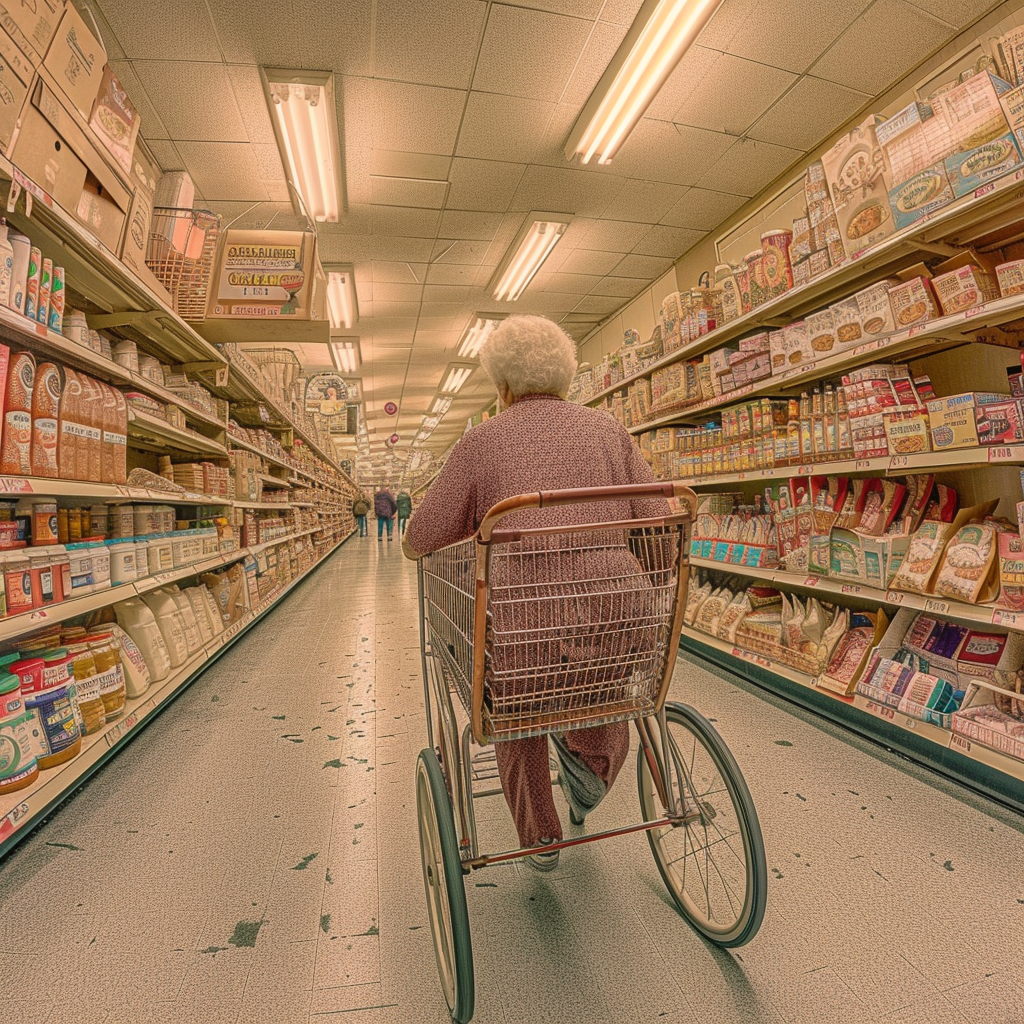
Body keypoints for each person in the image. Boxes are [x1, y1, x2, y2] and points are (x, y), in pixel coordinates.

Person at [403, 315, 669, 870]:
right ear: (567, 377)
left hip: (524, 637)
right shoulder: (608, 431)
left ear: (501, 386)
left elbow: (419, 539)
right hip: (621, 621)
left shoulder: (483, 441)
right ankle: (591, 773)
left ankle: (541, 838)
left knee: (513, 703)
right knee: (604, 683)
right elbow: (661, 528)